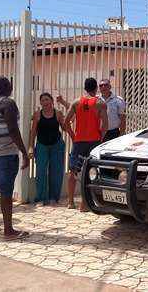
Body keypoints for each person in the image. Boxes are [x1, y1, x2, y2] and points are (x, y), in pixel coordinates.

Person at [0, 76, 30, 240]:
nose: (11, 85)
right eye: (9, 83)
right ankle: (8, 230)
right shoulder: (8, 103)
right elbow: (13, 129)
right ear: (6, 86)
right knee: (6, 191)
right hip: (6, 153)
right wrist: (24, 152)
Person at [63, 77, 108, 211]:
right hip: (94, 141)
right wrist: (101, 138)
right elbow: (105, 124)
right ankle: (84, 204)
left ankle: (70, 202)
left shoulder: (76, 102)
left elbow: (66, 122)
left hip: (79, 141)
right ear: (96, 88)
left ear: (85, 88)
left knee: (73, 171)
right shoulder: (100, 103)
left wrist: (73, 136)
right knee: (88, 171)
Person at [28, 92, 66, 205]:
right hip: (42, 145)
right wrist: (30, 147)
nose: (45, 102)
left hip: (57, 145)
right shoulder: (37, 115)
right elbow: (33, 132)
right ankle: (41, 198)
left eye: (47, 100)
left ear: (52, 101)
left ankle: (53, 197)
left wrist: (67, 118)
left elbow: (64, 128)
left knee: (56, 172)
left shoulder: (58, 114)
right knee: (40, 172)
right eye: (43, 100)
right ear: (40, 103)